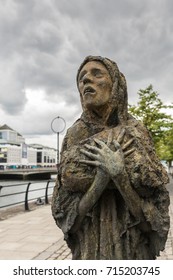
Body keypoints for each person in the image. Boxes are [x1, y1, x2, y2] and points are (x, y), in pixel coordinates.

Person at [52, 55, 170, 260]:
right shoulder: (74, 135)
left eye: (97, 73)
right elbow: (71, 222)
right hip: (90, 253)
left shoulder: (136, 132)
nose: (86, 80)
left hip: (132, 253)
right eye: (81, 78)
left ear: (115, 84)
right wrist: (100, 180)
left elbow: (149, 223)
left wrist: (120, 177)